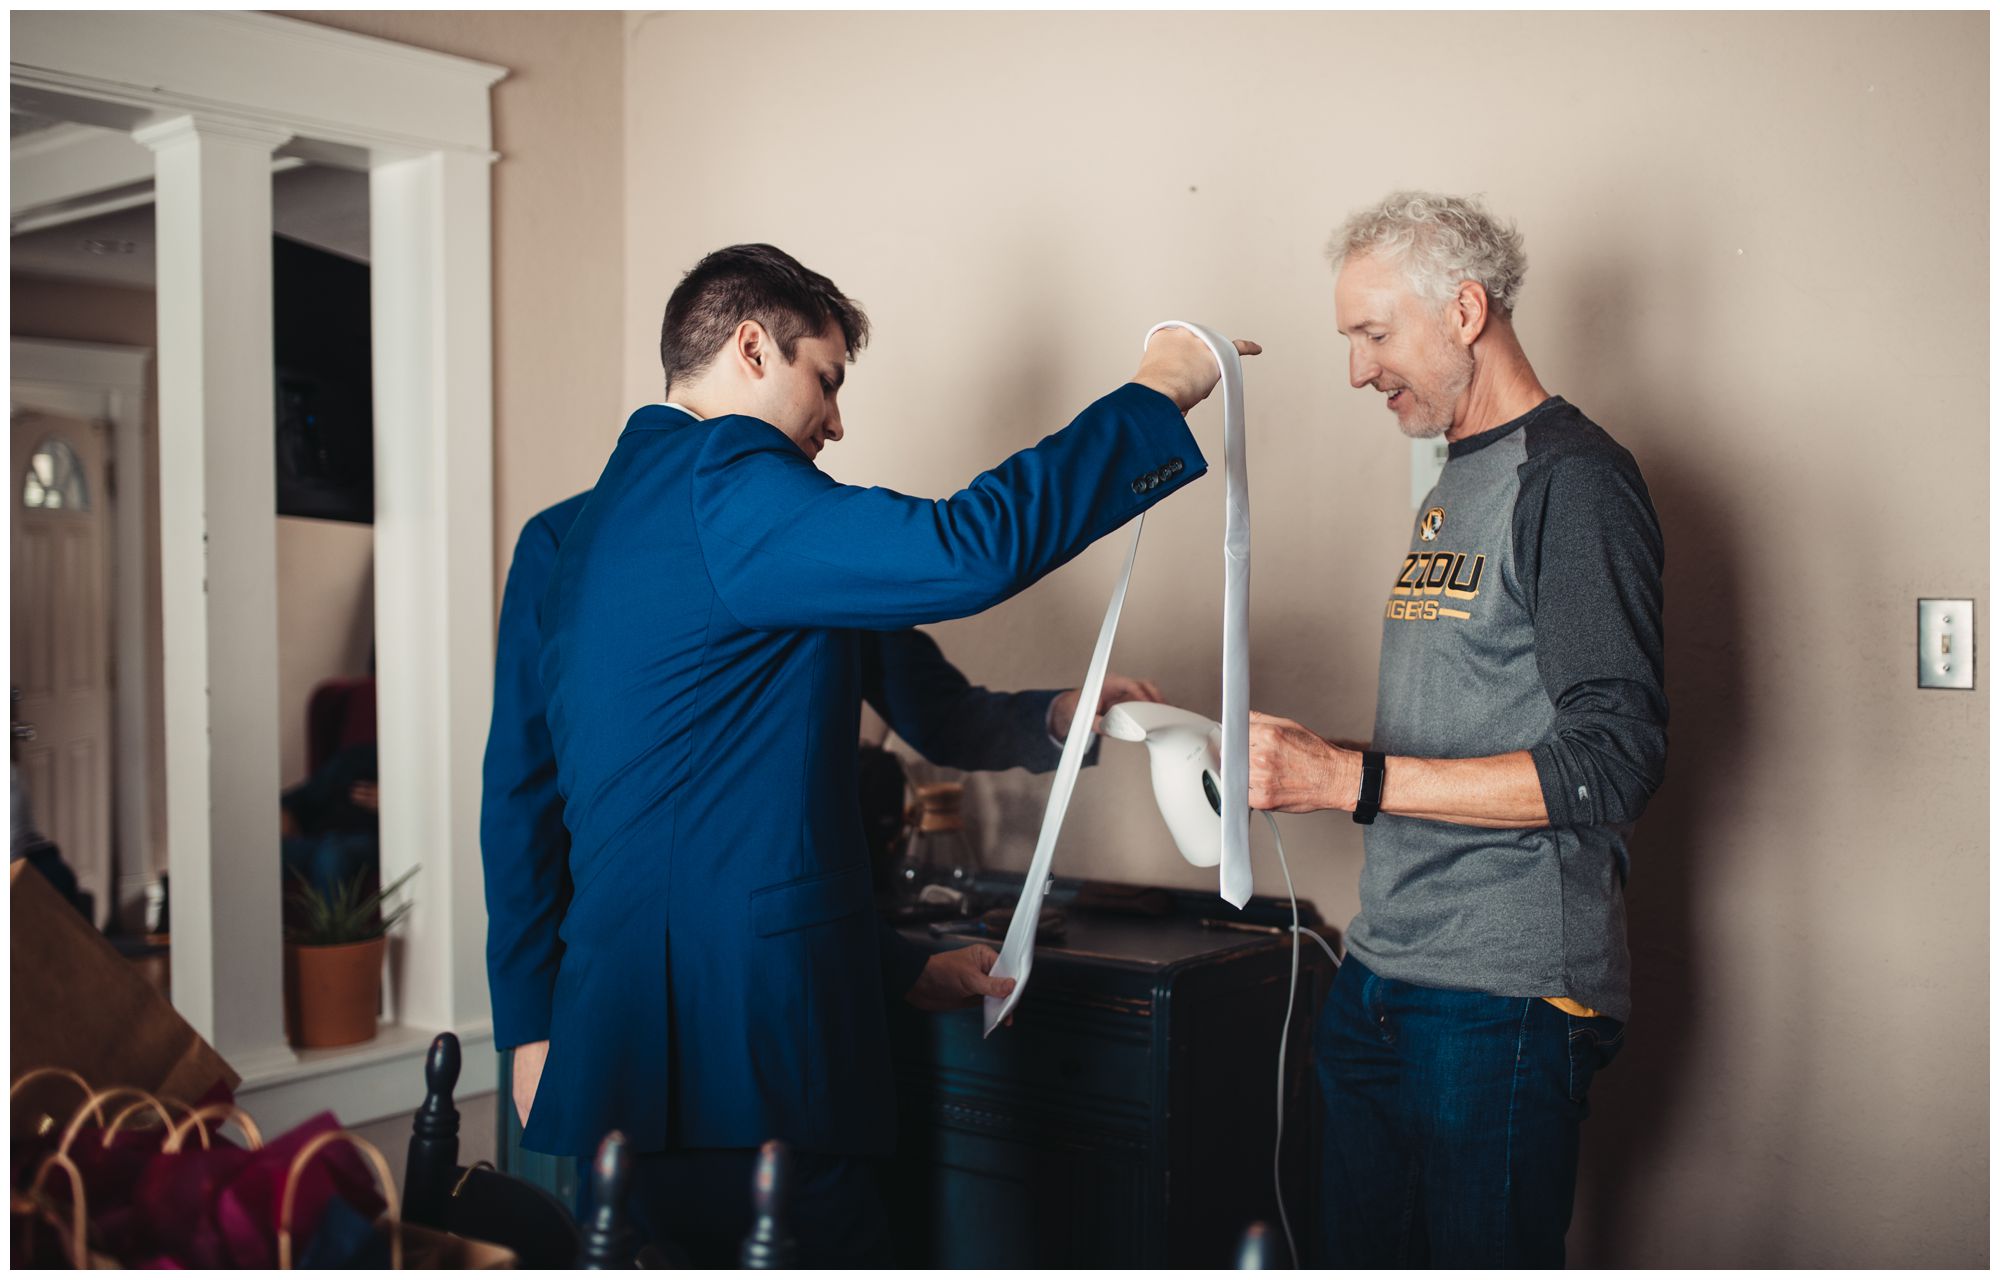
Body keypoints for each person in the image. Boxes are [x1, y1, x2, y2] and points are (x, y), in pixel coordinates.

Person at [522, 243, 1252, 1264]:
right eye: (825, 380)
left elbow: (737, 806)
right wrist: (1160, 389)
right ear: (750, 349)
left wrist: (903, 961)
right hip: (749, 1053)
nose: (835, 422)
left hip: (629, 1046)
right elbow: (970, 547)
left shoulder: (592, 526)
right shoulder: (732, 490)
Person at [480, 489, 1162, 1215]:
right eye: (826, 401)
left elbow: (935, 708)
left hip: (792, 1021)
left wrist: (1058, 717)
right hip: (627, 1022)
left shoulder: (817, 524)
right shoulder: (563, 542)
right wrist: (529, 1028)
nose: (834, 431)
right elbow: (522, 791)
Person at [1245, 192, 1666, 1267]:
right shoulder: (1457, 475)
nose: (1357, 370)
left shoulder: (1572, 480)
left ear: (1465, 312)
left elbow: (1611, 761)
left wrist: (1345, 779)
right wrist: (1309, 762)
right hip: (1384, 970)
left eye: (1373, 334)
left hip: (1501, 997)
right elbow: (1467, 722)